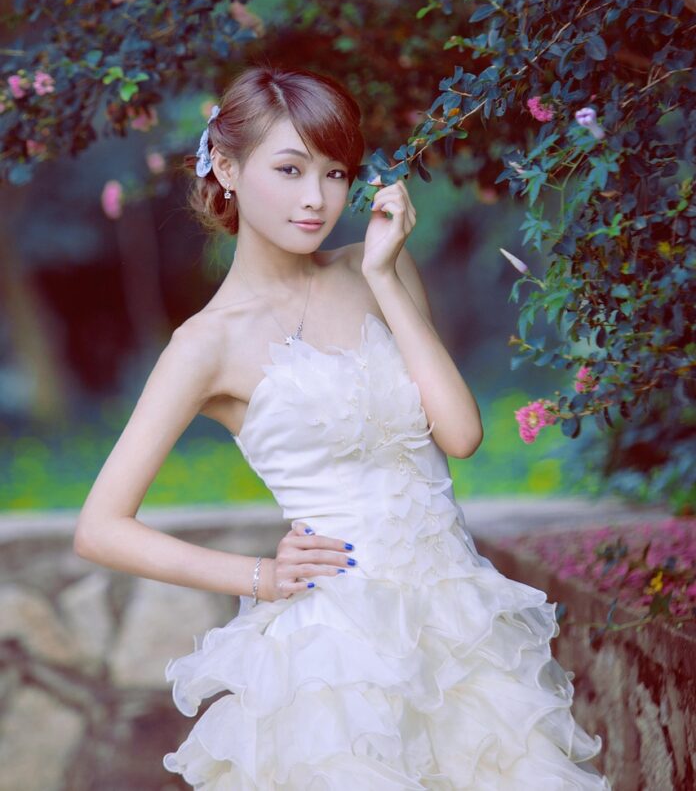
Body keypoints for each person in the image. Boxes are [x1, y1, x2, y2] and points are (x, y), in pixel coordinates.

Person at [74, 64, 611, 789]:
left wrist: (387, 279)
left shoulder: (371, 268)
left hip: (459, 623)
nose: (316, 198)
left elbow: (459, 435)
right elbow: (101, 527)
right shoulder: (207, 344)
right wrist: (260, 577)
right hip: (339, 650)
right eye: (290, 170)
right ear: (227, 168)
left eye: (335, 173)